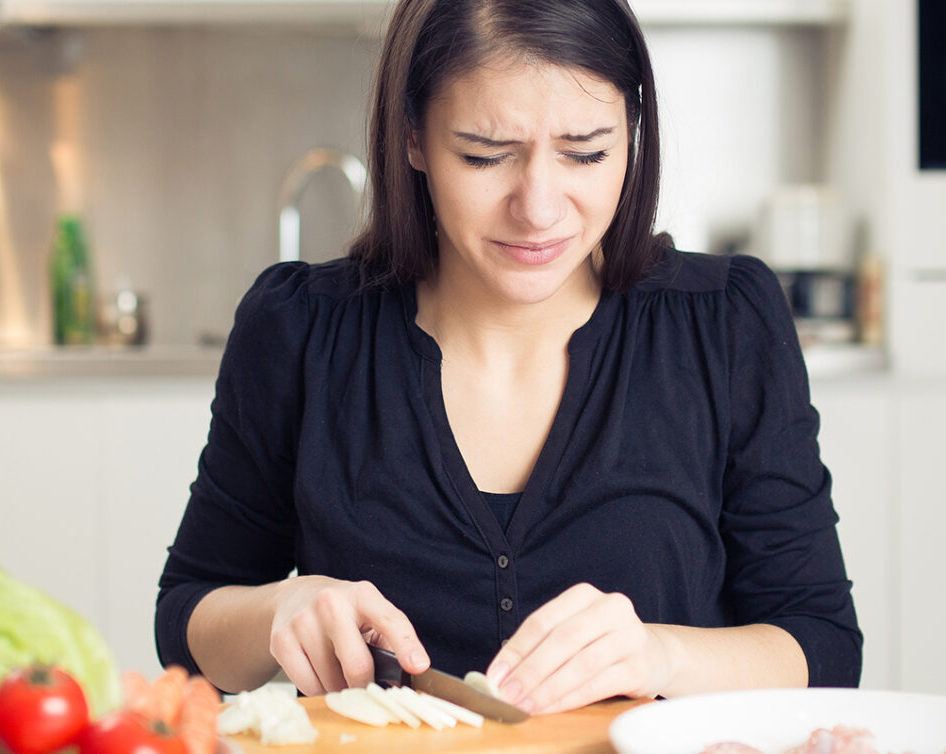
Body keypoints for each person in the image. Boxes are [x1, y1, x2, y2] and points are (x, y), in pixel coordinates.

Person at [156, 0, 862, 715]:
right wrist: (279, 610)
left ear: (632, 134)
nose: (540, 208)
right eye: (486, 155)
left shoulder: (724, 322)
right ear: (412, 137)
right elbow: (186, 625)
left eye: (586, 152)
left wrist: (660, 653)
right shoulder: (299, 331)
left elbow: (823, 644)